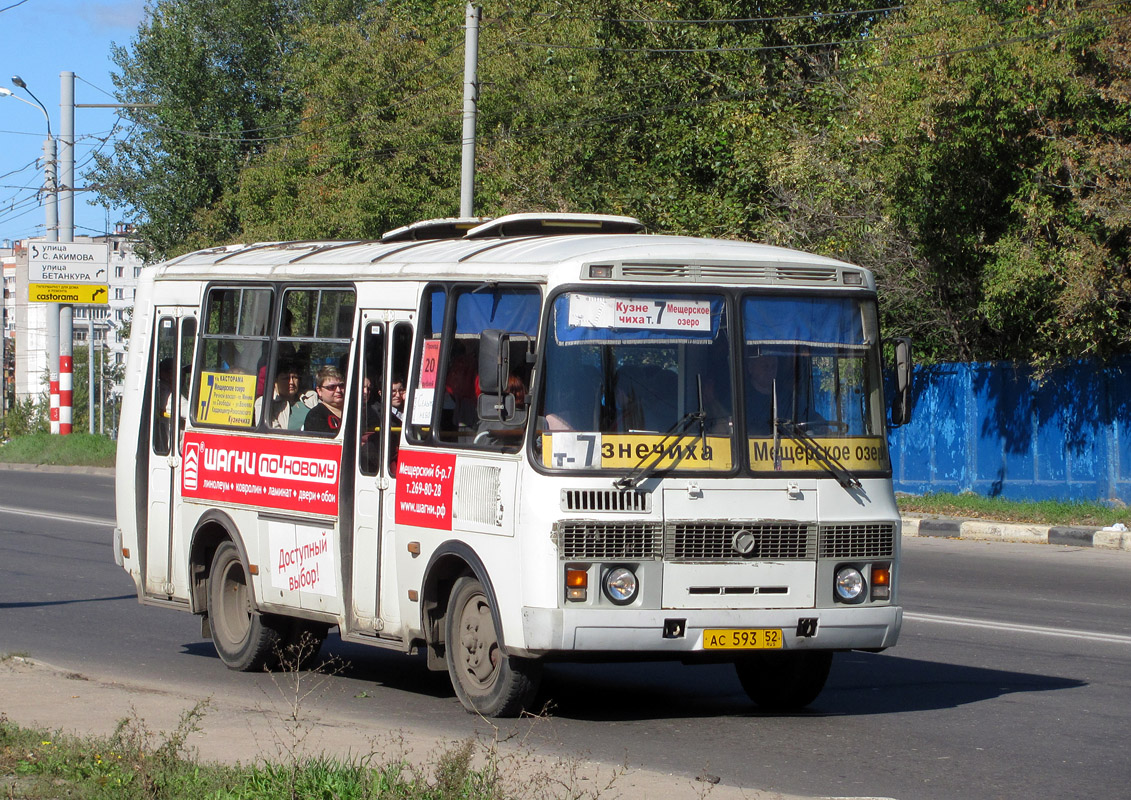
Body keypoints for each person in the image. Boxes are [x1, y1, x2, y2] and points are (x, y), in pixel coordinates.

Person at [254, 359, 301, 428]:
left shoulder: (309, 401)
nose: (291, 382)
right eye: (286, 378)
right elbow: (271, 432)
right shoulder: (265, 404)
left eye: (295, 378)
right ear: (275, 381)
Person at [303, 366, 346, 433]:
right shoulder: (316, 416)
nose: (338, 390)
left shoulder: (354, 411)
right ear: (319, 391)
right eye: (331, 387)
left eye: (341, 385)